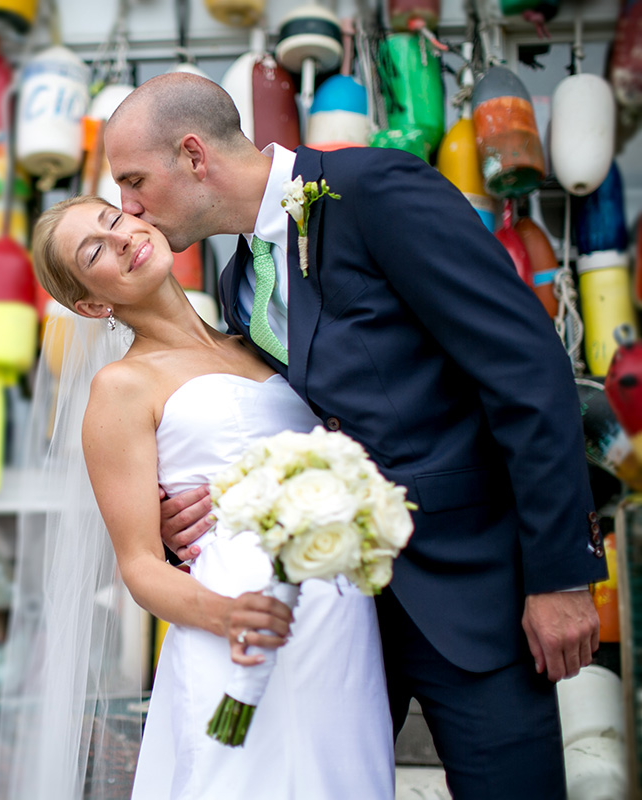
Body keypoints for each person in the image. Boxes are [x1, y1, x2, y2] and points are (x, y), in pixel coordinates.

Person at [101, 71, 607, 797]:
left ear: (192, 155)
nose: (130, 206)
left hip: (474, 589)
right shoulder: (239, 278)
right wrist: (195, 500)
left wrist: (560, 573)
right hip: (333, 620)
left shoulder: (374, 190)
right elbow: (296, 425)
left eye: (134, 179)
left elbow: (527, 370)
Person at [0, 193, 394, 799]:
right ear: (91, 301)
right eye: (95, 249)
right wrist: (228, 614)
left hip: (336, 619)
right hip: (237, 626)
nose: (123, 238)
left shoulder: (261, 336)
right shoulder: (122, 388)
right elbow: (139, 566)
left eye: (114, 219)